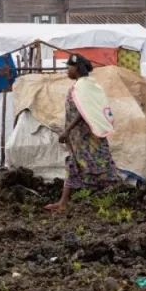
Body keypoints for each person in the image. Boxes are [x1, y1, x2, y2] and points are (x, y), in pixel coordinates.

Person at [44, 54, 121, 212]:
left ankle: (119, 196)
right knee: (79, 165)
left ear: (76, 68)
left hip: (88, 138)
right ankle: (63, 203)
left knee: (100, 166)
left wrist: (67, 130)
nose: (67, 70)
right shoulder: (86, 85)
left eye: (69, 67)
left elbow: (82, 111)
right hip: (82, 138)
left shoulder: (84, 87)